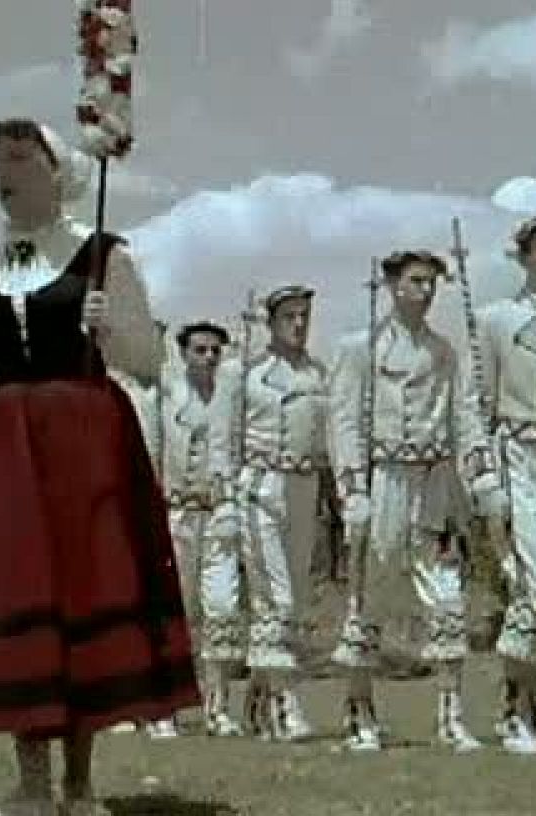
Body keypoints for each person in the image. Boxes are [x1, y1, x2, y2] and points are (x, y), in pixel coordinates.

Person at [0, 119, 196, 816]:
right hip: (6, 445)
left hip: (84, 437)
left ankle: (80, 787)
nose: (3, 169)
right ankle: (29, 785)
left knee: (80, 589)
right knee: (19, 590)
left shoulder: (103, 254)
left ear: (59, 170)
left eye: (20, 156)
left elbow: (146, 360)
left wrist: (107, 323)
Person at [328, 250, 504, 753]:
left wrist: (479, 472)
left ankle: (450, 714)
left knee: (445, 591)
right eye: (416, 281)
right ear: (392, 284)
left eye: (432, 283)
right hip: (382, 478)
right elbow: (344, 422)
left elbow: (463, 415)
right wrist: (352, 489)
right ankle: (358, 711)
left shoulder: (444, 352)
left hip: (434, 480)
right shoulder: (360, 348)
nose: (426, 292)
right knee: (371, 587)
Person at [463, 212, 536, 754]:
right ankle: (514, 709)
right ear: (525, 258)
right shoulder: (495, 321)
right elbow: (472, 407)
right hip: (519, 457)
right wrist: (485, 479)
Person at [228, 286, 331, 741]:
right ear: (271, 322)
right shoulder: (248, 376)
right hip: (262, 484)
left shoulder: (318, 375)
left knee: (297, 596)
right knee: (276, 599)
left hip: (305, 487)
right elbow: (227, 441)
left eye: (304, 315)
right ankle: (285, 706)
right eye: (288, 316)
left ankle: (257, 696)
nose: (298, 324)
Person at [135, 320, 241, 739]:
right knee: (174, 611)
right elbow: (153, 454)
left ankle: (217, 706)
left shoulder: (231, 397)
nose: (209, 358)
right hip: (175, 513)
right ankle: (162, 706)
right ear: (183, 353)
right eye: (200, 350)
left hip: (218, 512)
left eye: (216, 350)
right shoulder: (164, 396)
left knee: (221, 607)